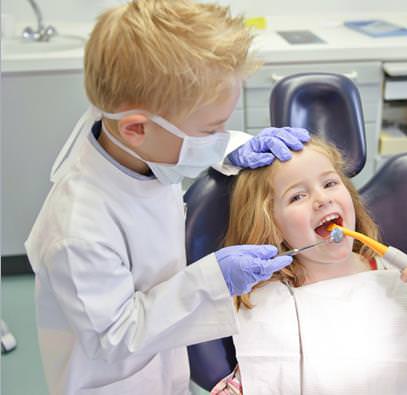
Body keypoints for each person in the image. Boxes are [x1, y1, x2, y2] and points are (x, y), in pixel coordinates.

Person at [24, 1, 310, 394]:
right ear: (136, 128)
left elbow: (172, 144)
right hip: (114, 380)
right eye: (212, 130)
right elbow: (115, 339)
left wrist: (232, 149)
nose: (218, 138)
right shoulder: (78, 230)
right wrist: (214, 280)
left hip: (164, 362)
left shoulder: (131, 139)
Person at [210, 138, 407, 395]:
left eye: (329, 183)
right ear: (271, 224)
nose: (322, 199)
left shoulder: (398, 276)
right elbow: (259, 379)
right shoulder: (270, 302)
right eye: (297, 196)